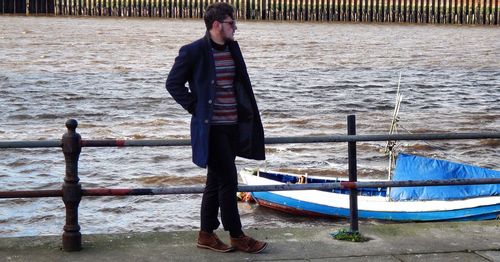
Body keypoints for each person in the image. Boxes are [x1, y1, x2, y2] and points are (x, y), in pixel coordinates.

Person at [165, 2, 267, 254]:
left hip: (233, 126)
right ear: (217, 24)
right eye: (232, 23)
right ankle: (237, 236)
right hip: (212, 129)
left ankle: (206, 234)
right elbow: (173, 84)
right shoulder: (193, 51)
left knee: (215, 181)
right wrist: (195, 108)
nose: (236, 28)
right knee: (229, 181)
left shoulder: (233, 49)